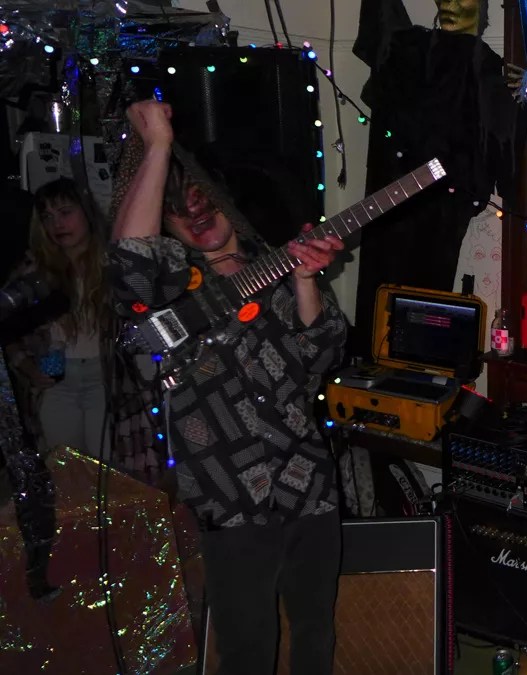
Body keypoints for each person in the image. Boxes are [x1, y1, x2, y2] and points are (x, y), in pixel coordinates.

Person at [107, 100, 348, 675]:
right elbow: (129, 266)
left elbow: (321, 356)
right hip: (229, 500)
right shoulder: (169, 290)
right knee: (245, 651)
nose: (194, 214)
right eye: (176, 211)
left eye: (201, 200)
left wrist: (306, 280)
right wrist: (158, 146)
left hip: (309, 488)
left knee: (315, 638)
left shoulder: (276, 263)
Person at [3, 178, 110, 460]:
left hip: (105, 377)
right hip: (58, 382)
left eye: (65, 212)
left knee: (107, 470)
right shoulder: (35, 270)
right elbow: (7, 328)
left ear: (86, 212)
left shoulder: (112, 263)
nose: (57, 224)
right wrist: (25, 365)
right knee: (65, 469)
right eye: (48, 217)